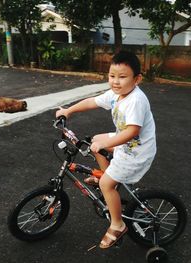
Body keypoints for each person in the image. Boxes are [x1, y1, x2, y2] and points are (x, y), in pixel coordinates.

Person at [56, 50, 156, 249]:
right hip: (127, 143)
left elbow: (132, 131)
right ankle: (105, 175)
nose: (116, 82)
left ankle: (117, 225)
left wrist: (105, 145)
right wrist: (69, 110)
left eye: (122, 77)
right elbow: (92, 101)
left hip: (136, 151)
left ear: (137, 79)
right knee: (95, 141)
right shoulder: (116, 94)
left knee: (106, 184)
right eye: (112, 76)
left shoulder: (135, 100)